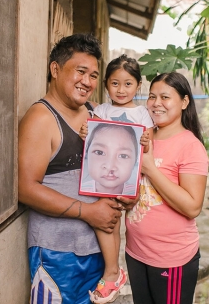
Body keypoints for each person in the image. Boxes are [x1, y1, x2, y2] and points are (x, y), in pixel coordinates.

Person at [18, 33, 137, 304]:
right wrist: (89, 212)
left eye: (94, 75)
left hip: (95, 250)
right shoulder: (41, 118)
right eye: (80, 72)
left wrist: (129, 192)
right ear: (55, 69)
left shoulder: (97, 113)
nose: (87, 81)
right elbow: (25, 188)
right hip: (57, 253)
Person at [125, 72, 209, 304]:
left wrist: (151, 169)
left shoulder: (190, 146)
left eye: (165, 97)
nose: (156, 103)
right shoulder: (143, 137)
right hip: (135, 251)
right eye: (152, 97)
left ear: (184, 102)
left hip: (171, 258)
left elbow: (192, 207)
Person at [79, 54, 153, 303]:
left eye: (128, 83)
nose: (121, 90)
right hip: (105, 176)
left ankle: (114, 270)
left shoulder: (143, 114)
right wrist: (85, 135)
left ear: (138, 86)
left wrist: (146, 142)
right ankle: (113, 270)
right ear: (106, 84)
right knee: (108, 219)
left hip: (129, 179)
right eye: (115, 83)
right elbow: (93, 145)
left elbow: (149, 149)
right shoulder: (100, 110)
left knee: (114, 220)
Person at [80, 122, 140, 196]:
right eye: (99, 152)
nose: (110, 166)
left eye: (123, 156)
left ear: (135, 161)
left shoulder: (138, 195)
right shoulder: (81, 191)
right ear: (86, 155)